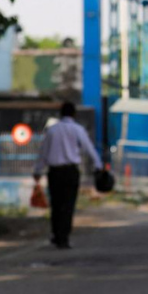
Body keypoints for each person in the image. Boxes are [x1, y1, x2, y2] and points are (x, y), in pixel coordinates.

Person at [33, 101, 103, 249]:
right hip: (71, 172)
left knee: (56, 204)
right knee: (68, 205)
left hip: (55, 172)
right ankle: (64, 236)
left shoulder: (52, 130)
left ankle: (57, 235)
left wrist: (38, 171)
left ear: (60, 113)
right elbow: (89, 148)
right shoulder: (78, 129)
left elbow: (43, 153)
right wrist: (98, 166)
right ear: (74, 114)